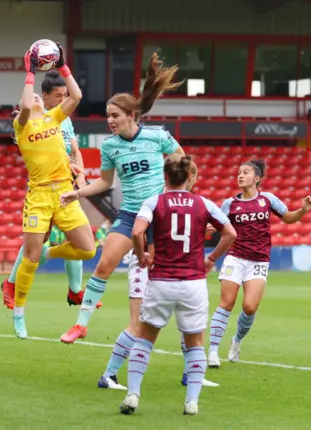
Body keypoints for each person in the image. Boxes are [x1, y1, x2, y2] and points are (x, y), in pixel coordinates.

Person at [58, 52, 185, 344]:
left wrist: (180, 195)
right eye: (107, 116)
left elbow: (184, 163)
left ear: (132, 115)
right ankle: (81, 324)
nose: (110, 121)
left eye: (115, 116)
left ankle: (189, 343)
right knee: (103, 266)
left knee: (174, 280)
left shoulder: (157, 136)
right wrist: (76, 192)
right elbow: (104, 182)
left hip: (161, 215)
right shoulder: (110, 146)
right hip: (129, 215)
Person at [118, 153, 236, 416]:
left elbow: (137, 232)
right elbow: (230, 233)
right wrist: (212, 259)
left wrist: (141, 256)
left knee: (145, 338)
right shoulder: (204, 203)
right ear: (189, 177)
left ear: (165, 176)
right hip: (193, 282)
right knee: (194, 342)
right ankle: (191, 401)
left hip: (161, 280)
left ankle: (133, 394)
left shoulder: (154, 201)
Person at [10, 43, 96, 339]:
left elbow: (77, 95)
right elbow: (23, 106)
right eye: (31, 96)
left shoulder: (54, 118)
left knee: (87, 248)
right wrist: (29, 72)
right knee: (30, 260)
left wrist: (62, 65)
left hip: (64, 194)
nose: (34, 98)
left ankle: (50, 251)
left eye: (36, 96)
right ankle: (19, 312)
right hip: (39, 197)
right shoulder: (22, 126)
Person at [206, 160, 311, 367]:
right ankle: (212, 350)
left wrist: (303, 209)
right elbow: (218, 227)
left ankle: (236, 340)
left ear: (257, 178)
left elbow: (288, 218)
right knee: (226, 302)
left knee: (249, 307)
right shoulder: (229, 204)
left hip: (259, 260)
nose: (240, 175)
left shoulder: (268, 199)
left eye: (245, 172)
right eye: (238, 172)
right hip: (235, 257)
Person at [0, 69, 88, 310]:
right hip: (42, 186)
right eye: (57, 96)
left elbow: (74, 149)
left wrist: (80, 176)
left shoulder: (63, 117)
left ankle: (75, 290)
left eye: (64, 95)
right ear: (44, 96)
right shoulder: (31, 120)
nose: (61, 100)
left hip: (64, 184)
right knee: (40, 240)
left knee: (76, 239)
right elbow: (26, 109)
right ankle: (11, 284)